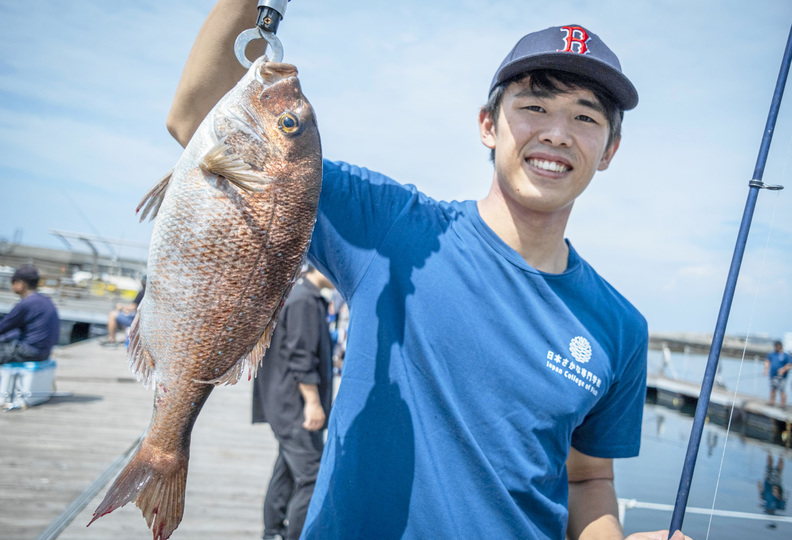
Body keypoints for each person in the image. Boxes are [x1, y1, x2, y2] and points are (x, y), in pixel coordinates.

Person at [168, 3, 692, 539]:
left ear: (609, 150)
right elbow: (197, 120)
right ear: (488, 125)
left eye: (585, 117)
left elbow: (587, 478)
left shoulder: (621, 327)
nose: (558, 133)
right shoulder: (394, 227)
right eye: (535, 106)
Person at [252, 264, 334, 540]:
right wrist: (313, 402)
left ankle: (273, 532)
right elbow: (301, 356)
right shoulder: (305, 301)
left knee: (286, 469)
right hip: (295, 406)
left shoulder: (297, 295)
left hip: (282, 403)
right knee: (312, 476)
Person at [0, 265, 60, 365]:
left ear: (20, 284)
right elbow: (16, 331)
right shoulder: (46, 301)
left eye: (13, 282)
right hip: (44, 353)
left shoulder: (26, 304)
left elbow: (4, 326)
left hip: (30, 352)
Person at [102, 276, 146, 346]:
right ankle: (125, 338)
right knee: (126, 314)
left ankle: (112, 339)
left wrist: (121, 306)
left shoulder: (142, 292)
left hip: (138, 321)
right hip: (142, 320)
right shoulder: (151, 294)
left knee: (112, 314)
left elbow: (133, 307)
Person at [764, 341, 791, 408]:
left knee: (782, 390)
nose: (778, 347)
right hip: (772, 375)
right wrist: (765, 370)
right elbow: (767, 362)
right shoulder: (771, 354)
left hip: (782, 377)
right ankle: (771, 402)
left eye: (779, 346)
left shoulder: (786, 355)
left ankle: (783, 405)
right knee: (773, 389)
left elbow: (789, 365)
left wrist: (783, 369)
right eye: (776, 346)